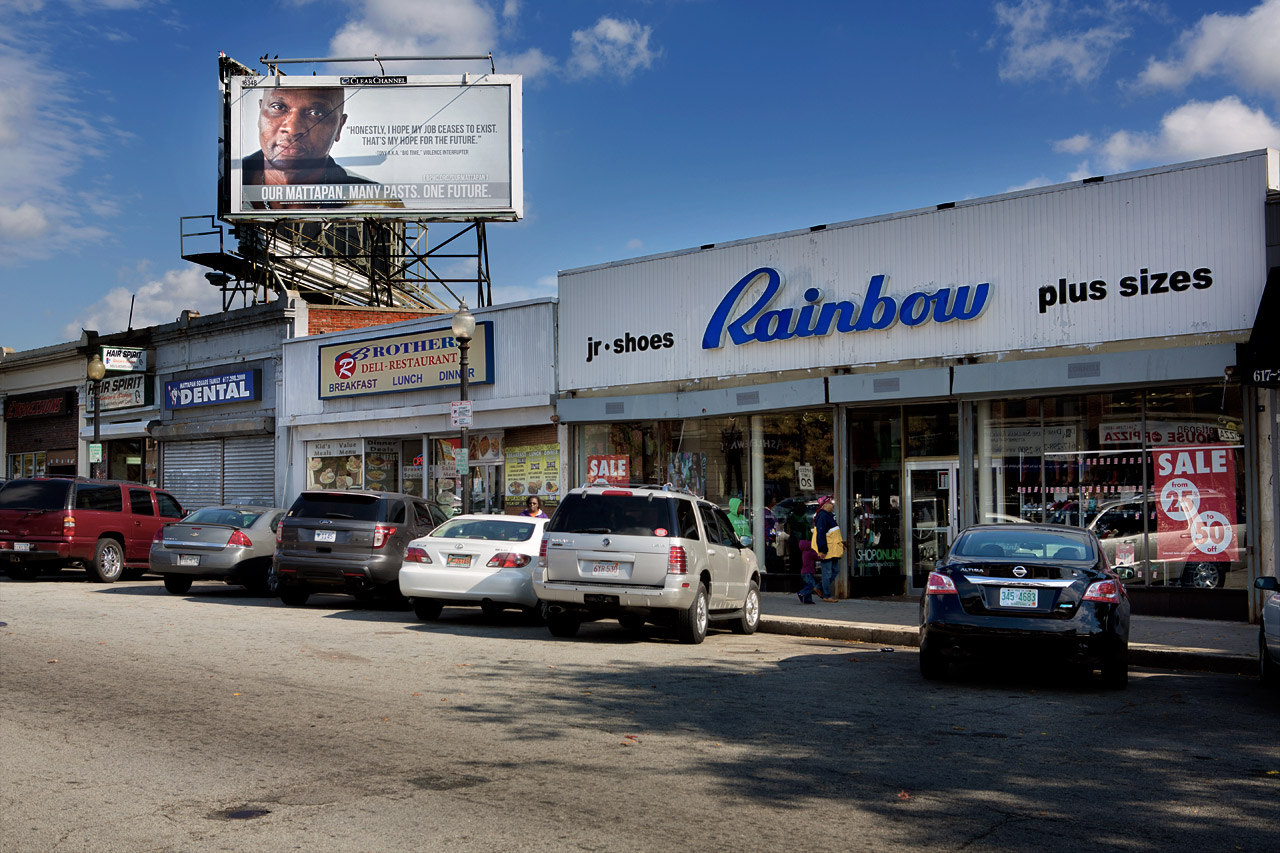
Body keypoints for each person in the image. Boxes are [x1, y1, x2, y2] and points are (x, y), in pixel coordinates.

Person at [242, 86, 389, 210]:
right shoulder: (229, 183)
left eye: (316, 113)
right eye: (278, 107)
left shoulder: (377, 203)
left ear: (339, 126)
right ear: (260, 114)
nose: (293, 129)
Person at [812, 495, 844, 602]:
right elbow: (820, 534)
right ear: (825, 505)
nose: (832, 505)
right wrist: (822, 550)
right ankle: (827, 595)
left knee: (835, 570)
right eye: (830, 503)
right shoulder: (823, 516)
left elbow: (831, 534)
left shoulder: (828, 516)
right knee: (827, 573)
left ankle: (819, 587)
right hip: (827, 550)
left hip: (832, 549)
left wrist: (840, 544)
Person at [796, 537, 817, 604]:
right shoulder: (809, 553)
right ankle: (802, 593)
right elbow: (817, 556)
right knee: (811, 585)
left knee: (807, 585)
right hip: (808, 572)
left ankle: (807, 599)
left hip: (804, 573)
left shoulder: (804, 553)